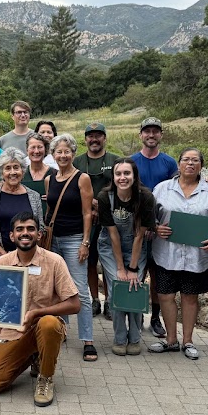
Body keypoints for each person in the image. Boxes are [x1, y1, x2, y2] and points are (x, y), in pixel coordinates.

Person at [0, 212, 80, 407]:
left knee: (48, 323)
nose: (25, 233)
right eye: (20, 229)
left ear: (39, 234)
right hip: (15, 332)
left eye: (30, 229)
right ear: (12, 236)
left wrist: (37, 313)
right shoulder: (3, 263)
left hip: (45, 326)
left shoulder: (54, 261)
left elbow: (75, 304)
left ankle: (46, 377)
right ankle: (34, 354)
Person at [149, 148, 208, 360]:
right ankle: (170, 341)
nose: (190, 164)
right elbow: (149, 216)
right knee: (165, 295)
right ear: (179, 164)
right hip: (166, 253)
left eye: (195, 160)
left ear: (201, 166)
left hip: (197, 256)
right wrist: (156, 227)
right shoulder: (162, 189)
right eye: (186, 159)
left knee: (189, 297)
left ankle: (188, 341)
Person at [45, 134, 97, 361]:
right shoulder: (50, 179)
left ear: (73, 153)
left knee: (79, 290)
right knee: (56, 290)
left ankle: (88, 340)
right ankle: (61, 330)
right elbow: (50, 210)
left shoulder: (82, 178)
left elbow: (88, 213)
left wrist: (86, 242)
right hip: (53, 239)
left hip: (75, 238)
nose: (63, 155)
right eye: (59, 151)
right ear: (53, 154)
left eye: (67, 151)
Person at [97, 159, 155, 356]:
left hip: (135, 246)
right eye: (118, 174)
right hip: (110, 247)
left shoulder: (146, 197)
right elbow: (113, 234)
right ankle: (120, 338)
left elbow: (140, 235)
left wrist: (132, 269)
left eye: (127, 173)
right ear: (113, 177)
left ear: (134, 175)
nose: (123, 178)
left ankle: (135, 338)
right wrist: (121, 268)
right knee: (117, 287)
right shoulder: (105, 197)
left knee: (135, 286)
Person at [131, 116, 179, 339]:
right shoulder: (131, 162)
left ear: (161, 135)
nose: (151, 135)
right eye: (147, 131)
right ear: (140, 135)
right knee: (136, 274)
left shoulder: (169, 163)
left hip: (162, 230)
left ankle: (155, 318)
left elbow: (176, 195)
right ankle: (136, 316)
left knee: (158, 278)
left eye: (155, 131)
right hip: (137, 229)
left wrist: (159, 224)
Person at [74, 122, 122, 320]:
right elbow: (72, 188)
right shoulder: (77, 162)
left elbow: (122, 187)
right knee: (90, 262)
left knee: (110, 261)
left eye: (98, 135)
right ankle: (95, 299)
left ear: (105, 138)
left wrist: (99, 205)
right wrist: (88, 206)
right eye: (90, 136)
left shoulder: (116, 160)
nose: (94, 139)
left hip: (111, 220)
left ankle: (110, 301)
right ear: (85, 139)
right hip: (86, 221)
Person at [0, 148, 45, 268]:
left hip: (28, 260)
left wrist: (24, 256)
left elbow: (40, 228)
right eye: (8, 168)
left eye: (16, 167)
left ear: (23, 170)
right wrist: (5, 257)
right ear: (1, 172)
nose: (12, 172)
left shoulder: (34, 196)